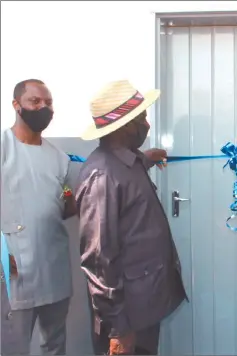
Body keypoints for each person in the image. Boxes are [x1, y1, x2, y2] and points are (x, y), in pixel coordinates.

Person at [76, 80, 187, 355]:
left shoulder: (127, 162)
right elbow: (98, 261)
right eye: (142, 118)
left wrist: (148, 158)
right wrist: (119, 329)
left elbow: (128, 178)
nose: (146, 125)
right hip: (126, 318)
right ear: (125, 125)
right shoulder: (101, 177)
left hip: (144, 304)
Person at [0, 79, 77, 355]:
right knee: (13, 345)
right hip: (13, 266)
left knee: (55, 343)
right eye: (35, 101)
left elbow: (67, 201)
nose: (43, 107)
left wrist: (73, 196)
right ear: (16, 105)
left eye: (48, 102)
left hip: (53, 265)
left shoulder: (59, 158)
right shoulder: (4, 147)